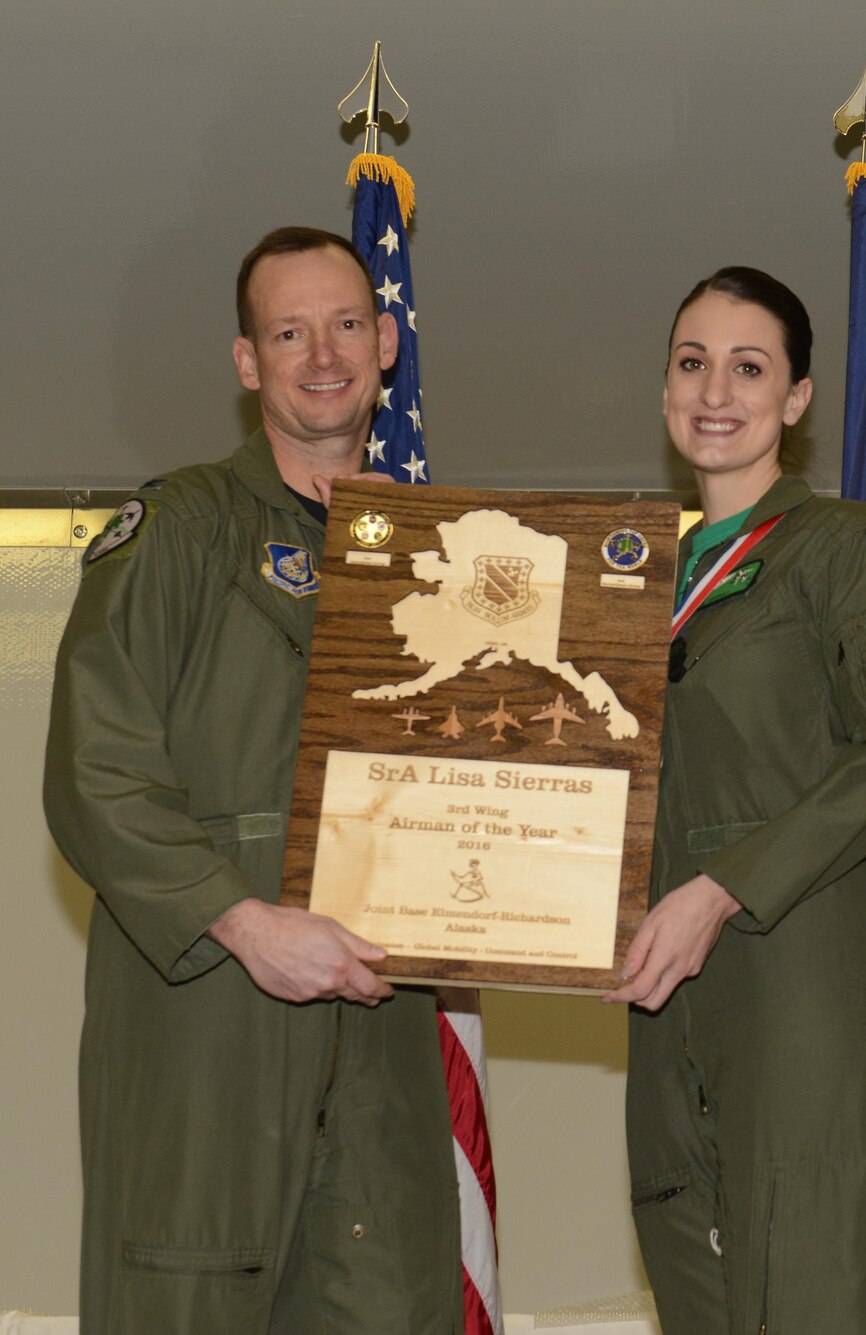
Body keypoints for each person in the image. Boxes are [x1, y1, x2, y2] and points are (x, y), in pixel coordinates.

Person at [43, 226, 461, 1333]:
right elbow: (95, 775)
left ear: (384, 344)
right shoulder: (176, 531)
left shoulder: (452, 561)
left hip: (381, 1023)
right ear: (246, 363)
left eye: (343, 325)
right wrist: (241, 922)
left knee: (388, 1301)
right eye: (288, 332)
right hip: (207, 1026)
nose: (320, 355)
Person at [610, 266, 866, 1334]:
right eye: (692, 363)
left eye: (748, 367)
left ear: (795, 399)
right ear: (664, 387)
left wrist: (721, 889)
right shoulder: (622, 578)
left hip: (804, 993)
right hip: (667, 1010)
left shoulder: (845, 547)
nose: (716, 390)